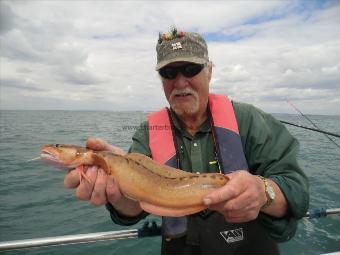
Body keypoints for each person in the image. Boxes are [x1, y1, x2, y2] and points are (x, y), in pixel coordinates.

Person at [64, 28, 309, 255]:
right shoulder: (148, 132)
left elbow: (296, 191)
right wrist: (117, 192)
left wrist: (263, 191)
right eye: (169, 73)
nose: (180, 82)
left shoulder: (250, 120)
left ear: (209, 71)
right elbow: (132, 208)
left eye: (191, 69)